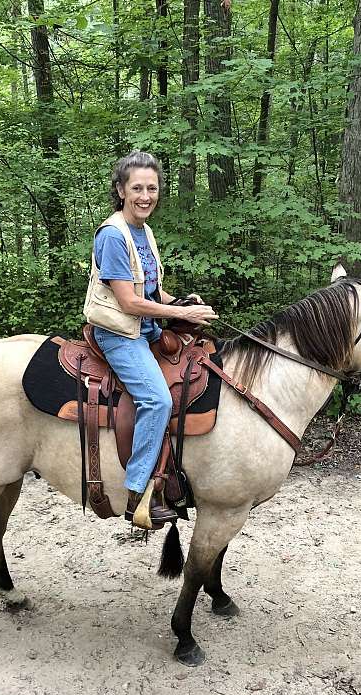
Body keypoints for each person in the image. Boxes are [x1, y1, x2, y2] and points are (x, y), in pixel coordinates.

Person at [83, 150, 218, 527]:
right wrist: (180, 314)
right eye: (137, 188)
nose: (146, 195)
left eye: (152, 188)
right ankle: (137, 493)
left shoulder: (143, 231)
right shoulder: (113, 235)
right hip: (118, 334)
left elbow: (152, 292)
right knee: (157, 400)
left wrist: (187, 304)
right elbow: (128, 301)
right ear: (121, 190)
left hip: (146, 329)